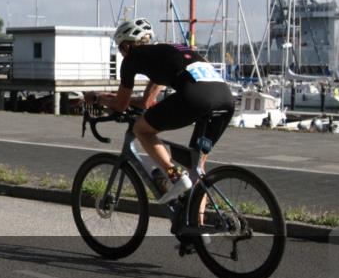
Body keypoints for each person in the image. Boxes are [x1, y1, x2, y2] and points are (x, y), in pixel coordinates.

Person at [85, 18, 235, 204]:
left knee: (141, 129)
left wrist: (98, 98)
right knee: (197, 171)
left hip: (196, 97)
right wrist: (114, 98)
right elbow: (146, 102)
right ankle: (198, 228)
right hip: (226, 99)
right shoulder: (168, 51)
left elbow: (120, 105)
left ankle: (174, 177)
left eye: (120, 47)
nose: (122, 53)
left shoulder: (133, 58)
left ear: (127, 45)